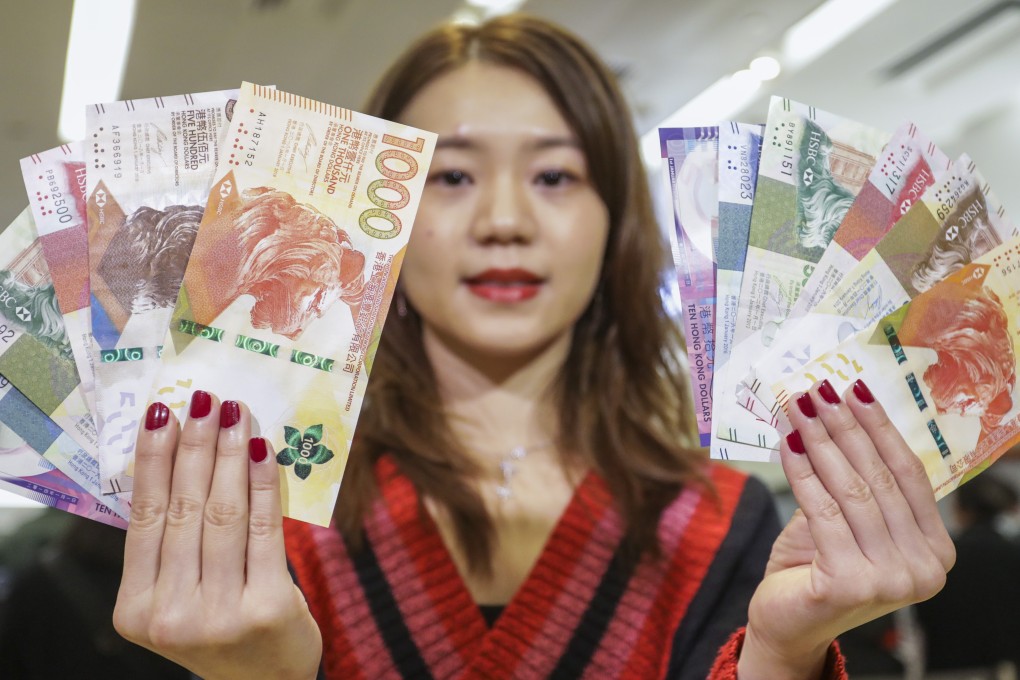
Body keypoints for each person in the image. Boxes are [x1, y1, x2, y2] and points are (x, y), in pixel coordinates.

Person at [111, 15, 956, 680]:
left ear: (614, 221)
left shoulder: (727, 521)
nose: (504, 222)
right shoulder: (259, 509)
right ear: (380, 219)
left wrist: (781, 658)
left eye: (554, 175)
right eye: (450, 176)